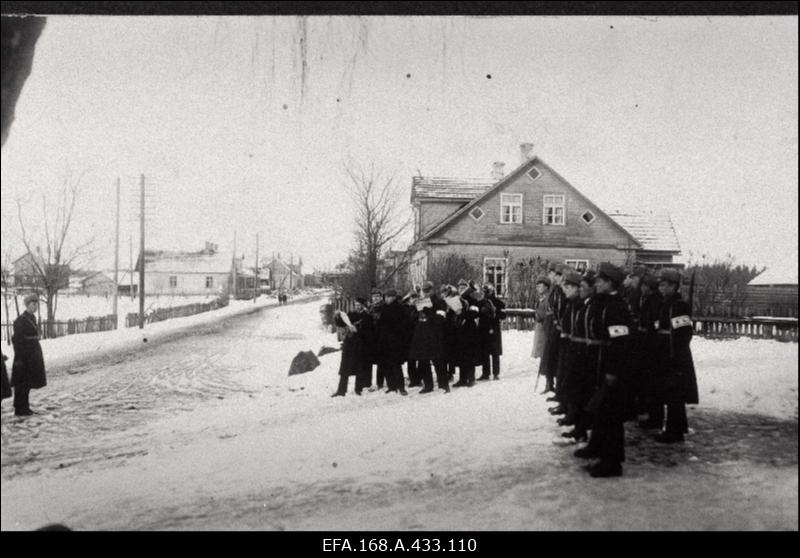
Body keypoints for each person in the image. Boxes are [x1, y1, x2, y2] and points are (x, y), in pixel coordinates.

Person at [574, 263, 632, 478]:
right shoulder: (603, 302)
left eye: (600, 280)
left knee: (610, 414)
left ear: (610, 283)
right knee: (599, 409)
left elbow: (621, 343)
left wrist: (613, 371)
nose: (596, 282)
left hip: (609, 366)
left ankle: (612, 461)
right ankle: (596, 446)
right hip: (596, 363)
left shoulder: (616, 307)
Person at [652, 268, 699, 443]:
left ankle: (675, 431)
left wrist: (675, 355)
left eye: (664, 285)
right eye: (660, 285)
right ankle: (676, 428)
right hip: (665, 354)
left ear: (674, 286)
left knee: (675, 395)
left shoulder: (679, 306)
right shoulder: (666, 303)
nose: (661, 288)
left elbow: (684, 333)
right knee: (670, 393)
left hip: (675, 357)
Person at [407, 281, 450, 393]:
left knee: (438, 362)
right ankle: (428, 385)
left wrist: (428, 312)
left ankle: (443, 384)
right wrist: (414, 310)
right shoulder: (421, 302)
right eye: (424, 291)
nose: (426, 293)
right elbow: (413, 319)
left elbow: (440, 319)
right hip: (422, 335)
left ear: (433, 289)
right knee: (423, 362)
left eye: (428, 290)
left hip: (434, 336)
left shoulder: (439, 302)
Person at [552, 271, 582, 423]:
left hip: (575, 343)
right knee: (564, 373)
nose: (565, 290)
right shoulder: (570, 302)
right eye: (566, 287)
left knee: (572, 378)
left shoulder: (579, 304)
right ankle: (565, 405)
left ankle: (572, 412)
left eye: (569, 287)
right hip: (567, 341)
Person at [11, 294, 47, 416]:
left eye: (36, 304)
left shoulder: (32, 318)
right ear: (27, 305)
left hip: (32, 355)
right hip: (23, 356)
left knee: (27, 382)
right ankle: (19, 408)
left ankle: (25, 407)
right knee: (21, 383)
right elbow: (16, 340)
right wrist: (20, 357)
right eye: (33, 304)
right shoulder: (21, 320)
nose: (35, 306)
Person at [637, 273, 665, 428]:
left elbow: (655, 324)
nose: (641, 288)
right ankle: (651, 417)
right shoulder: (649, 299)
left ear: (648, 287)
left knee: (653, 385)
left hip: (651, 345)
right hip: (646, 343)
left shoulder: (654, 301)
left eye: (643, 285)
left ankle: (655, 419)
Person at [331, 297, 373, 397]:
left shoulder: (367, 317)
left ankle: (358, 389)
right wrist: (337, 317)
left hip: (360, 345)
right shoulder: (350, 315)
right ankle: (341, 391)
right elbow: (340, 323)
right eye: (356, 305)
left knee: (359, 368)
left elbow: (370, 333)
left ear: (363, 306)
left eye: (360, 305)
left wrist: (358, 331)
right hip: (349, 345)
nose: (358, 307)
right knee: (345, 368)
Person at [375, 289, 409, 396]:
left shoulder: (399, 308)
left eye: (389, 297)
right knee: (387, 365)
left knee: (396, 365)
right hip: (385, 340)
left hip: (395, 341)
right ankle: (391, 386)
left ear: (394, 297)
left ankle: (401, 387)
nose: (387, 299)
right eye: (386, 297)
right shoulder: (384, 308)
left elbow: (403, 324)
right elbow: (380, 323)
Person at [452, 279, 480, 388]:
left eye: (463, 288)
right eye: (459, 288)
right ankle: (462, 379)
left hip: (470, 331)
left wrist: (462, 314)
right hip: (460, 331)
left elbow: (474, 314)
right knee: (461, 355)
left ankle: (471, 378)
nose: (461, 290)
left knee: (470, 355)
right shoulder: (457, 300)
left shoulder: (472, 300)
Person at [480, 283, 506, 380]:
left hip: (494, 329)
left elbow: (503, 315)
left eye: (487, 291)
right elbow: (478, 313)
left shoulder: (499, 302)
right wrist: (482, 310)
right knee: (484, 352)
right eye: (484, 292)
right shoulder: (482, 302)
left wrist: (495, 312)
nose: (485, 293)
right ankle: (485, 373)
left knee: (495, 352)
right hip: (484, 329)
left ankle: (496, 373)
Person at [531, 276, 550, 360]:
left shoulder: (548, 298)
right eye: (537, 286)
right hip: (540, 325)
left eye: (540, 286)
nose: (537, 288)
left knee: (543, 349)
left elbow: (546, 312)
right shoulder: (541, 297)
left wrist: (539, 316)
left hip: (544, 326)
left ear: (546, 287)